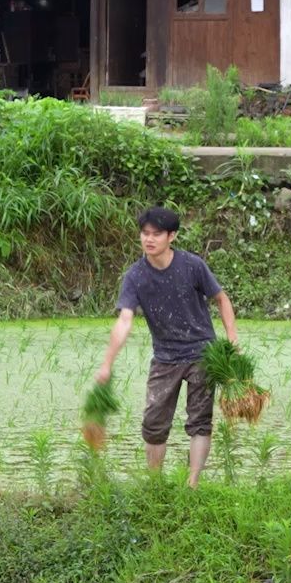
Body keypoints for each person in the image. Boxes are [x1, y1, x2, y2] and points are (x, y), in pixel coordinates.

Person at [94, 206, 238, 487]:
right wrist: (107, 363)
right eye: (144, 234)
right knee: (154, 424)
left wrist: (232, 340)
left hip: (203, 355)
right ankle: (155, 485)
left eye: (156, 234)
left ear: (171, 236)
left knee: (200, 421)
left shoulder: (192, 265)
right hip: (165, 358)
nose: (149, 239)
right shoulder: (136, 276)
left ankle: (192, 484)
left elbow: (221, 298)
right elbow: (125, 320)